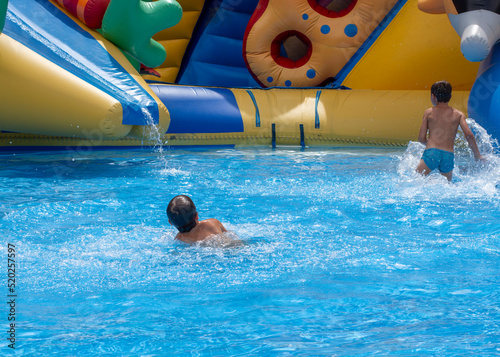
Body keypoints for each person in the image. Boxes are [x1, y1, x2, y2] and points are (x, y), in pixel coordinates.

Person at [416, 80, 484, 181]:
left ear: (433, 96)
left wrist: (431, 145)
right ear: (450, 97)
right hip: (448, 156)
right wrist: (477, 155)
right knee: (446, 187)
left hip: (431, 153)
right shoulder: (459, 114)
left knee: (416, 180)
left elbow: (421, 139)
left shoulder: (429, 112)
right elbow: (469, 135)